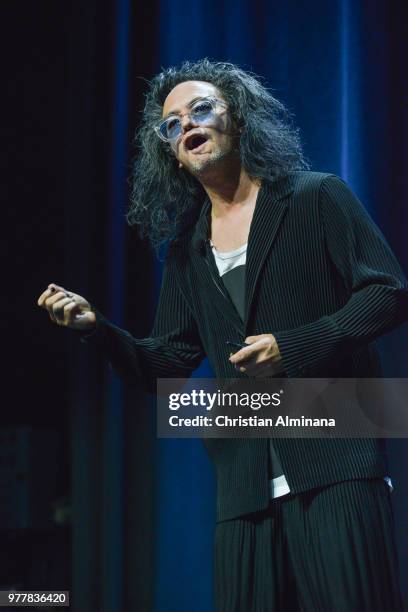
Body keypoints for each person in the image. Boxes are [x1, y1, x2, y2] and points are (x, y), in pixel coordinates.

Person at [37, 60, 407, 611]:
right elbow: (166, 362)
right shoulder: (187, 249)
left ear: (240, 119)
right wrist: (99, 331)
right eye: (172, 124)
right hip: (243, 489)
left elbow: (389, 291)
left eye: (202, 108)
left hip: (337, 463)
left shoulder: (316, 196)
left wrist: (293, 346)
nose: (187, 124)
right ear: (170, 151)